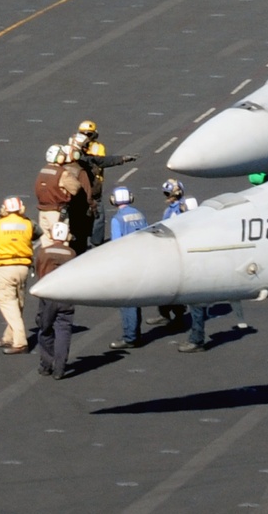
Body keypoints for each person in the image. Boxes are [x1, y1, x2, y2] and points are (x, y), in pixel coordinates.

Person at [0, 196, 40, 354]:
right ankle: (9, 336)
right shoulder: (28, 223)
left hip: (6, 266)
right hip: (23, 267)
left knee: (5, 300)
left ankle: (20, 341)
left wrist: (2, 218)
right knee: (17, 302)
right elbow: (37, 232)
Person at [71, 121, 137, 247]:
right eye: (83, 134)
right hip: (81, 190)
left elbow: (100, 161)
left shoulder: (96, 148)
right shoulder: (74, 153)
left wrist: (121, 159)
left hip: (94, 187)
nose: (86, 136)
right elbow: (95, 161)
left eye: (88, 134)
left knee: (98, 217)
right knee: (82, 217)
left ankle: (95, 243)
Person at [144, 180, 190, 332]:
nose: (166, 196)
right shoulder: (170, 208)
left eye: (167, 193)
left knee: (173, 284)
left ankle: (178, 316)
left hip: (177, 252)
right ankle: (164, 313)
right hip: (166, 250)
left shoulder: (182, 209)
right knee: (163, 284)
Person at [34, 221, 76, 379]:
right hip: (66, 295)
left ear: (52, 235)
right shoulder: (71, 253)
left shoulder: (44, 252)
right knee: (63, 330)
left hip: (48, 295)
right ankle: (60, 368)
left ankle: (46, 365)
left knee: (45, 329)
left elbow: (39, 271)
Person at [108, 187, 147, 350]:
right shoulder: (139, 214)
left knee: (127, 301)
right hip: (141, 260)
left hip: (127, 264)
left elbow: (116, 245)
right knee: (136, 299)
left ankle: (130, 336)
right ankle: (135, 332)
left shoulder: (117, 219)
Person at [60, 142, 95, 257]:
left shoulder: (60, 169)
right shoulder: (80, 171)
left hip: (64, 207)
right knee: (81, 237)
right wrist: (92, 205)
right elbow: (87, 191)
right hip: (80, 208)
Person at [35, 145, 72, 243]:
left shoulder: (43, 170)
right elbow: (75, 188)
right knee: (61, 239)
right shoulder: (62, 172)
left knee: (46, 240)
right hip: (56, 211)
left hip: (42, 210)